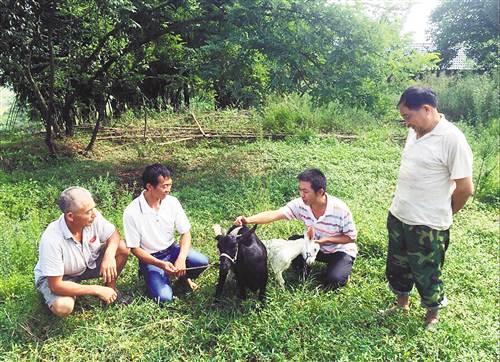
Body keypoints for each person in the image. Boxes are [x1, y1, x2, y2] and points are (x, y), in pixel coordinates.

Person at [384, 86, 474, 329]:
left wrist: (444, 212)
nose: (406, 123)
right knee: (398, 265)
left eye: (407, 116)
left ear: (426, 109)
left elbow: (465, 188)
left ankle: (431, 316)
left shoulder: (452, 139)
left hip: (428, 224)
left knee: (428, 272)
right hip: (400, 214)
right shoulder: (416, 131)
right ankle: (401, 303)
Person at [234, 168, 357, 290]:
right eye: (300, 190)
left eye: (306, 191)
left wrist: (325, 240)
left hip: (339, 250)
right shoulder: (300, 204)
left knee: (334, 280)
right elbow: (275, 214)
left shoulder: (340, 209)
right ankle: (305, 265)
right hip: (312, 246)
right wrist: (248, 220)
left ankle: (341, 270)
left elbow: (351, 237)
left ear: (320, 192)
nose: (302, 195)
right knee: (293, 243)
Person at [34, 187, 130, 317]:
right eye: (88, 212)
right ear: (70, 216)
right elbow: (55, 285)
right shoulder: (51, 239)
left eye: (93, 208)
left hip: (87, 263)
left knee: (122, 247)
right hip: (60, 276)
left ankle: (110, 290)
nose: (94, 214)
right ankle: (74, 292)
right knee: (63, 307)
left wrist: (109, 256)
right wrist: (95, 289)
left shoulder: (93, 217)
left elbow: (113, 235)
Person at [123, 164, 209, 303]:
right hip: (151, 258)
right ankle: (152, 275)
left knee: (201, 261)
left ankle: (182, 277)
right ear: (149, 187)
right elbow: (134, 248)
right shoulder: (132, 211)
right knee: (164, 298)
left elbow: (185, 233)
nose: (168, 190)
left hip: (172, 250)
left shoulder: (172, 202)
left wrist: (181, 259)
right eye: (164, 186)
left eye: (170, 185)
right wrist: (161, 264)